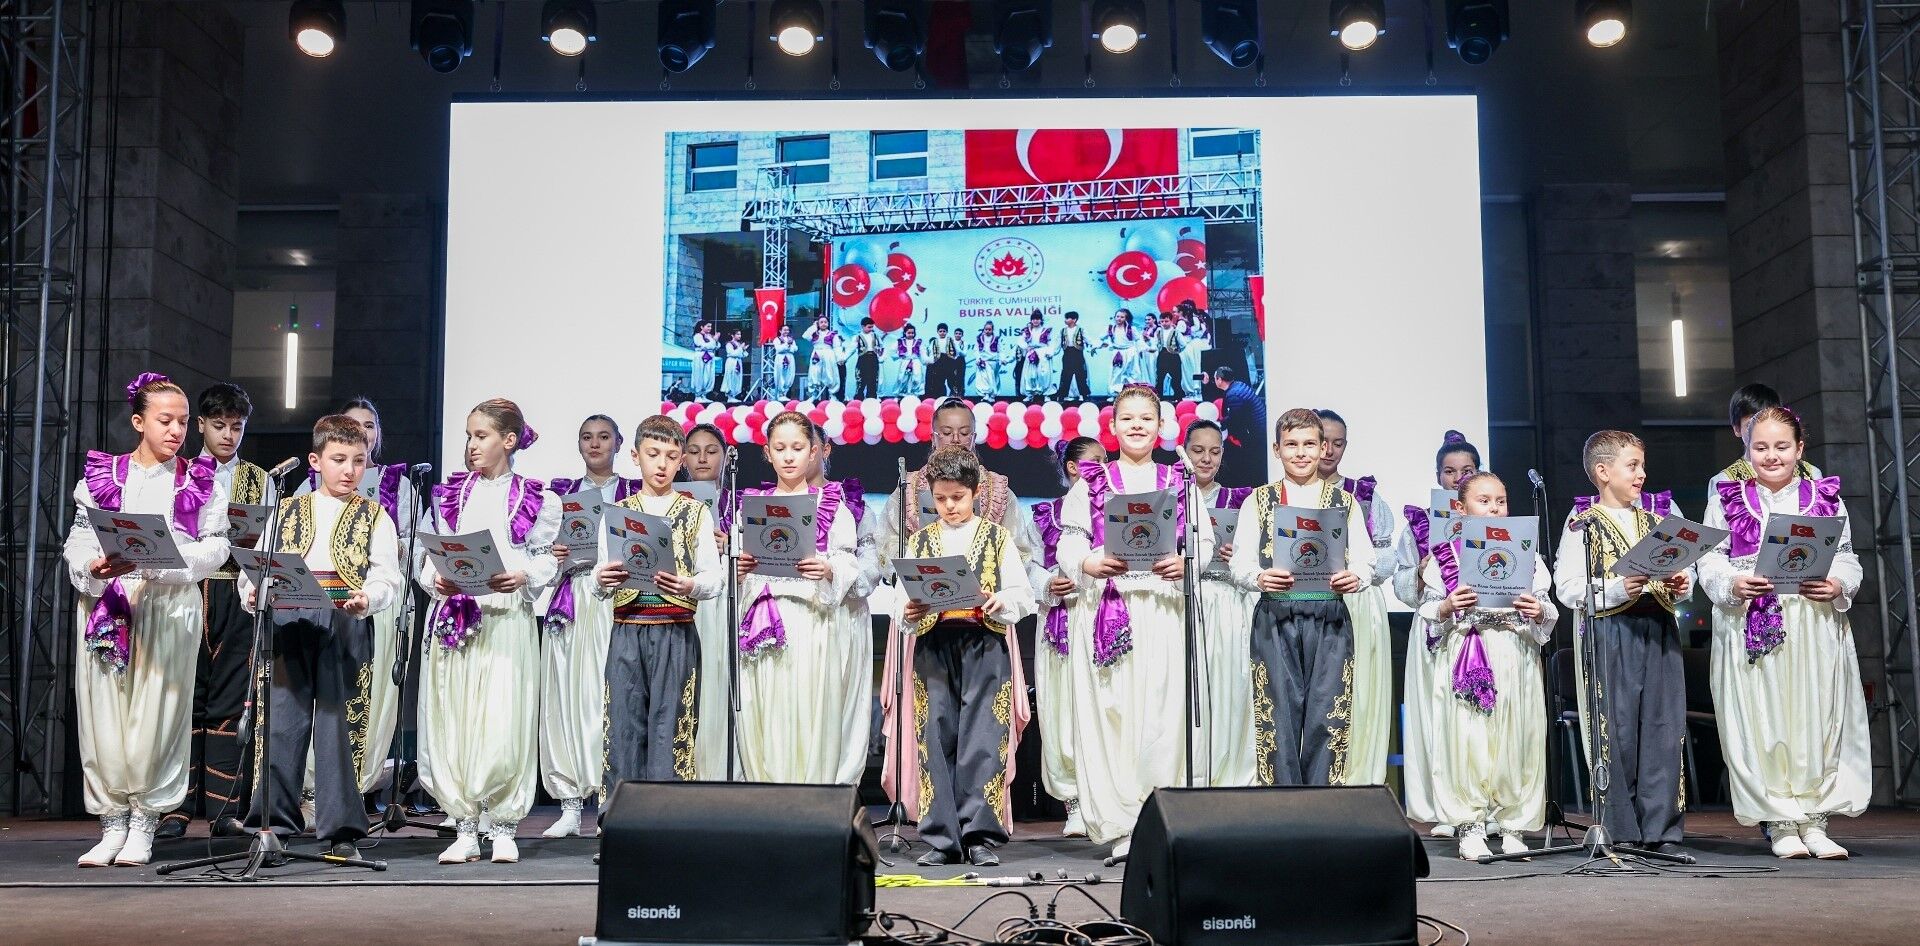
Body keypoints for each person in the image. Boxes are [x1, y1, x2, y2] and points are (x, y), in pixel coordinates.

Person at [65, 373, 231, 867]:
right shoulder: (103, 476)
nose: (176, 430)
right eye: (165, 420)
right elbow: (80, 538)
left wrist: (166, 563)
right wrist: (93, 567)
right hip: (110, 604)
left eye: (182, 421)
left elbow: (217, 545)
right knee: (103, 712)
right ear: (139, 422)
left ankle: (144, 821)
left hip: (167, 602)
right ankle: (112, 821)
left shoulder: (200, 480)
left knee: (158, 713)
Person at [1699, 407, 1869, 859]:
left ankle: (1814, 819)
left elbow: (1847, 556)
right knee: (1762, 718)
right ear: (1746, 450)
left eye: (1781, 446)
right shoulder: (1728, 498)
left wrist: (1838, 583)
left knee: (1816, 716)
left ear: (1799, 448)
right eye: (1760, 447)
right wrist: (1732, 584)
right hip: (1752, 621)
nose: (1771, 456)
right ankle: (1779, 820)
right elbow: (1710, 559)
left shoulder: (1824, 497)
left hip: (1812, 622)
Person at [1056, 385, 1210, 857]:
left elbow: (1202, 543)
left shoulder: (1180, 480)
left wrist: (1186, 562)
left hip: (1163, 610)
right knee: (1112, 713)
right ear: (1113, 426)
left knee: (1162, 714)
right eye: (1128, 418)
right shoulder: (1091, 482)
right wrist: (1088, 562)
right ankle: (1120, 823)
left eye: (1147, 418)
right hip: (1110, 608)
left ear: (1162, 426)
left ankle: (1159, 821)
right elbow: (1069, 542)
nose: (1137, 426)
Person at [242, 415, 402, 861]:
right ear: (315, 461)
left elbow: (386, 575)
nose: (349, 470)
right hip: (290, 620)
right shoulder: (286, 510)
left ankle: (341, 830)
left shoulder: (375, 515)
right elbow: (257, 565)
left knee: (339, 728)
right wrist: (253, 592)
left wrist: (367, 597)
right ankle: (272, 826)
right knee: (280, 726)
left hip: (343, 620)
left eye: (358, 461)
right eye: (339, 460)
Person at [877, 399, 1046, 810]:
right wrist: (912, 593)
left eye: (964, 432)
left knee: (983, 730)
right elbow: (887, 553)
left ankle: (980, 821)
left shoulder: (998, 490)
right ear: (933, 435)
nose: (956, 439)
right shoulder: (908, 489)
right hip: (927, 628)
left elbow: (1023, 556)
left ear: (975, 435)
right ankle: (931, 815)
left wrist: (995, 591)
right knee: (932, 726)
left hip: (985, 625)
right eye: (947, 432)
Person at [417, 399, 560, 865]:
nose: (472, 445)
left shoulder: (537, 498)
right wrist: (435, 579)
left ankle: (502, 825)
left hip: (504, 617)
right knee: (453, 717)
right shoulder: (450, 495)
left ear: (509, 440)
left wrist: (523, 575)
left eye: (481, 436)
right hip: (457, 615)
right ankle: (464, 825)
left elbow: (546, 559)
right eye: (469, 436)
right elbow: (430, 556)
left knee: (502, 718)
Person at [1552, 430, 1693, 854]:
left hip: (1659, 627)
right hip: (1610, 631)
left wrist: (1681, 582)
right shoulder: (1584, 521)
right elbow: (1568, 586)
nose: (1641, 474)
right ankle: (1621, 829)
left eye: (1642, 465)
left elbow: (1684, 569)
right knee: (1616, 729)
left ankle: (1661, 829)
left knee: (1663, 728)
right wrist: (1616, 588)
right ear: (1602, 471)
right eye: (1632, 466)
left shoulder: (1658, 518)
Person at [895, 446, 1037, 867]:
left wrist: (1000, 600)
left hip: (983, 644)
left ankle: (979, 836)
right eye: (941, 499)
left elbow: (1023, 595)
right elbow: (903, 602)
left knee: (983, 739)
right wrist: (909, 612)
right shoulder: (921, 540)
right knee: (935, 737)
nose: (950, 506)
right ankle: (942, 838)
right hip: (934, 646)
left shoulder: (996, 537)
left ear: (975, 493)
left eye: (958, 497)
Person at [1417, 472, 1557, 861]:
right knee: (1468, 738)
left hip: (1514, 652)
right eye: (1484, 501)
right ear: (1461, 509)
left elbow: (1547, 610)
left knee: (1517, 737)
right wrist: (1447, 606)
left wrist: (1538, 610)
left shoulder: (1527, 555)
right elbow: (1429, 613)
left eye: (1501, 500)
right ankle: (1470, 825)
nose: (1494, 508)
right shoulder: (1446, 556)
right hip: (1469, 652)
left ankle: (1513, 826)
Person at [1230, 409, 1372, 787]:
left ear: (1323, 448)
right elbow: (1240, 563)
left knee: (1329, 712)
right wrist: (1259, 577)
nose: (1301, 452)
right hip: (1276, 615)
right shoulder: (1258, 501)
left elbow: (1366, 560)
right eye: (1291, 444)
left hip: (1330, 615)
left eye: (1309, 444)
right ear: (1276, 450)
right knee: (1277, 714)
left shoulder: (1344, 502)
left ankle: (1322, 803)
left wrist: (1355, 577)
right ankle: (1282, 804)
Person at [294, 397, 419, 807]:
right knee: (296, 709)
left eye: (369, 426)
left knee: (357, 699)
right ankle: (301, 796)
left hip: (366, 605)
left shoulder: (392, 491)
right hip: (305, 612)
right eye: (352, 425)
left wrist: (376, 586)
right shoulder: (299, 498)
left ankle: (351, 793)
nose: (350, 467)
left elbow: (403, 554)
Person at [157, 382, 267, 841]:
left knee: (229, 700)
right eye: (219, 425)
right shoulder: (180, 472)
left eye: (236, 427)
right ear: (200, 424)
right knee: (185, 695)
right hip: (186, 589)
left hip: (236, 593)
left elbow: (267, 543)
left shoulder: (260, 479)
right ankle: (175, 808)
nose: (227, 435)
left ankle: (224, 809)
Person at [734, 413, 865, 783]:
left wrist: (827, 569)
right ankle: (768, 792)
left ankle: (809, 795)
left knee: (806, 703)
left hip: (810, 620)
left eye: (797, 447)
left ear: (813, 452)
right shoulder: (750, 505)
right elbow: (734, 567)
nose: (789, 456)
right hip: (762, 619)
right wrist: (739, 569)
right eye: (780, 448)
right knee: (766, 704)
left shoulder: (830, 504)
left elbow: (848, 562)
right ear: (767, 453)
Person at [593, 417, 724, 788]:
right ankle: (621, 812)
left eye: (670, 456)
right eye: (653, 454)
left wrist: (689, 584)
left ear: (681, 460)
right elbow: (599, 575)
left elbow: (714, 578)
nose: (662, 464)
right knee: (623, 725)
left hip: (675, 631)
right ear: (636, 457)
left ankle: (668, 812)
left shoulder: (695, 512)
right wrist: (601, 579)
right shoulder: (618, 512)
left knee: (672, 725)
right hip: (628, 627)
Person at [537, 415, 644, 838]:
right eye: (587, 437)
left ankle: (608, 800)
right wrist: (553, 553)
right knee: (566, 695)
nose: (595, 444)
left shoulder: (634, 491)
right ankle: (569, 804)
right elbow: (540, 554)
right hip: (570, 599)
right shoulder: (559, 494)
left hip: (616, 599)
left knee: (608, 696)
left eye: (603, 437)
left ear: (619, 443)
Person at [1394, 430, 1482, 838]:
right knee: (1434, 712)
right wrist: (1421, 569)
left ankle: (1482, 802)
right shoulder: (1420, 523)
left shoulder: (1495, 520)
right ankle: (1442, 806)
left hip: (1482, 625)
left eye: (1468, 470)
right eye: (1450, 471)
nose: (1459, 478)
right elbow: (1401, 585)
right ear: (1438, 477)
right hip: (1435, 624)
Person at [1316, 409, 1395, 786]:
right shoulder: (1284, 495)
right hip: (1306, 598)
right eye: (1322, 441)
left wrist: (1357, 570)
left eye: (1338, 443)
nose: (1329, 450)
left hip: (1357, 602)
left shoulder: (1364, 496)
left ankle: (1358, 778)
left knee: (1359, 691)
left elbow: (1387, 559)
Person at [1031, 437, 1105, 836]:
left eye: (1105, 460)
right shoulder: (1047, 514)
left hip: (1099, 615)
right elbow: (1026, 564)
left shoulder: (1111, 507)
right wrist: (1048, 583)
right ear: (1073, 468)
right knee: (1061, 706)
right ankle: (1073, 801)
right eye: (1095, 460)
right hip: (1059, 618)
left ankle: (1105, 798)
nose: (1103, 466)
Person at [1183, 420, 1256, 787]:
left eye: (1214, 452)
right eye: (1198, 451)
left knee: (1230, 685)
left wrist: (1237, 553)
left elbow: (1260, 555)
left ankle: (1231, 777)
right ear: (1184, 452)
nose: (1206, 459)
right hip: (1185, 598)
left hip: (1228, 599)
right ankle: (1192, 774)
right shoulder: (1171, 497)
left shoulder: (1241, 500)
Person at [679, 423, 738, 780]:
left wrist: (730, 544)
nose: (702, 458)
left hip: (726, 603)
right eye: (694, 450)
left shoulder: (740, 501)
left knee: (720, 680)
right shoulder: (668, 501)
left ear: (725, 456)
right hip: (684, 601)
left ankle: (722, 771)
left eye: (711, 450)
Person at [1713, 383, 1820, 488]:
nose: (1763, 430)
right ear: (1737, 429)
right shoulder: (1725, 482)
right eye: (1751, 425)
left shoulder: (1810, 474)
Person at [1213, 368, 1266, 488]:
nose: (1214, 380)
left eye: (1215, 378)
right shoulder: (1238, 385)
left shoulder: (1234, 395)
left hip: (1255, 433)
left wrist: (1220, 425)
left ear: (1220, 380)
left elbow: (1235, 419)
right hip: (1258, 429)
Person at [802, 315, 845, 401]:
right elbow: (805, 336)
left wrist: (839, 358)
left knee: (830, 373)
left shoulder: (832, 334)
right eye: (821, 322)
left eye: (825, 322)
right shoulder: (814, 333)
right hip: (816, 354)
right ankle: (813, 394)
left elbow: (837, 347)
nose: (823, 324)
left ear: (828, 323)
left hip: (829, 353)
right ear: (818, 323)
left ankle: (832, 394)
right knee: (814, 373)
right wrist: (814, 326)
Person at [1016, 310, 1055, 402]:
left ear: (1041, 320)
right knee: (1030, 375)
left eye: (1037, 319)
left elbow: (1051, 343)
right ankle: (1030, 395)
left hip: (1043, 353)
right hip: (1031, 353)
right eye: (1033, 319)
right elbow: (1020, 341)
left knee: (1043, 374)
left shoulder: (1046, 330)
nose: (1035, 321)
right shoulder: (1027, 330)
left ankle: (1046, 394)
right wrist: (1026, 347)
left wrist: (1050, 352)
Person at [1099, 310, 1142, 393]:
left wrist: (1144, 349)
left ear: (1126, 318)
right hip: (1117, 353)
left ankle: (1132, 393)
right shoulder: (1111, 328)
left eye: (1122, 317)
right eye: (1117, 316)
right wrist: (1103, 344)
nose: (1119, 319)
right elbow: (1101, 338)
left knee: (1133, 373)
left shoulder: (1131, 329)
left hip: (1130, 352)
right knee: (1116, 373)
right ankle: (1115, 393)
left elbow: (1139, 339)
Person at [1055, 311, 1091, 401]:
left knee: (1080, 375)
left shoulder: (1081, 330)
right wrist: (1052, 353)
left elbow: (1088, 340)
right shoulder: (1063, 330)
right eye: (1065, 318)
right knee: (1065, 375)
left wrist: (1096, 345)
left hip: (1078, 354)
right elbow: (1057, 344)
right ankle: (1063, 395)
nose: (1065, 320)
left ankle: (1083, 394)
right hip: (1067, 354)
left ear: (1074, 320)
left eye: (1067, 318)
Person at [1153, 311, 1186, 399]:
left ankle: (1178, 397)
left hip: (1173, 357)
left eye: (1166, 321)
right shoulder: (1158, 332)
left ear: (1171, 321)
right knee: (1160, 378)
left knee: (1176, 378)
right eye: (1162, 321)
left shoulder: (1176, 332)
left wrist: (1177, 351)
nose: (1164, 323)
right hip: (1162, 356)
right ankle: (1159, 397)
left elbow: (1183, 344)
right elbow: (1155, 343)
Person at [972, 322, 1006, 400]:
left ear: (992, 330)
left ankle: (992, 395)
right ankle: (986, 394)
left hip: (994, 362)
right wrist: (978, 359)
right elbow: (976, 350)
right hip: (983, 362)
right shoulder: (979, 338)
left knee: (993, 379)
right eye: (986, 329)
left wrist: (1002, 359)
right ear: (984, 329)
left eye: (989, 329)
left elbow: (1001, 350)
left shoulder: (996, 339)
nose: (987, 331)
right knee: (985, 379)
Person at [854, 318, 884, 400]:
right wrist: (844, 358)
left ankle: (871, 398)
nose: (871, 329)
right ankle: (859, 398)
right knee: (861, 379)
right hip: (862, 359)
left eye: (872, 327)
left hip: (873, 359)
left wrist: (881, 356)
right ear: (863, 326)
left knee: (873, 379)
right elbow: (852, 349)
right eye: (869, 327)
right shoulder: (857, 337)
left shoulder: (876, 336)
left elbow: (882, 346)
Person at [691, 321, 723, 399]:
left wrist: (715, 340)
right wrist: (714, 340)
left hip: (709, 357)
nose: (710, 328)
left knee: (708, 376)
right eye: (708, 326)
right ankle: (698, 395)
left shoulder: (709, 336)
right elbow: (704, 346)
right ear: (702, 327)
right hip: (700, 356)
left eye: (710, 326)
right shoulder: (697, 336)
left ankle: (704, 394)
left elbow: (717, 346)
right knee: (700, 375)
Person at [894, 324, 926, 397]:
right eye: (909, 333)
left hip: (916, 361)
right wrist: (900, 355)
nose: (911, 334)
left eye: (912, 333)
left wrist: (926, 361)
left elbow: (922, 353)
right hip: (905, 361)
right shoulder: (900, 341)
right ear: (905, 332)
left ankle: (916, 394)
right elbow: (892, 351)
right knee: (902, 378)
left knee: (917, 378)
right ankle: (901, 394)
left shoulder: (918, 342)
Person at [772, 324, 800, 399]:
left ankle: (785, 393)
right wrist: (787, 345)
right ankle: (780, 393)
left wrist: (789, 347)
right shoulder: (777, 339)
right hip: (781, 358)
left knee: (789, 374)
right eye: (784, 330)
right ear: (780, 331)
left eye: (787, 330)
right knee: (781, 374)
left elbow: (795, 349)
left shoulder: (791, 339)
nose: (786, 331)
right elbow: (778, 349)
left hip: (790, 357)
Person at [722, 330, 750, 401]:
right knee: (731, 377)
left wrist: (743, 349)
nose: (739, 336)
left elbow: (743, 355)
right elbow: (732, 353)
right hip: (732, 362)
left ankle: (734, 395)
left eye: (740, 334)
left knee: (737, 378)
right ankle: (730, 396)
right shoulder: (729, 344)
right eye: (737, 334)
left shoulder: (739, 344)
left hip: (738, 362)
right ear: (732, 335)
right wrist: (740, 348)